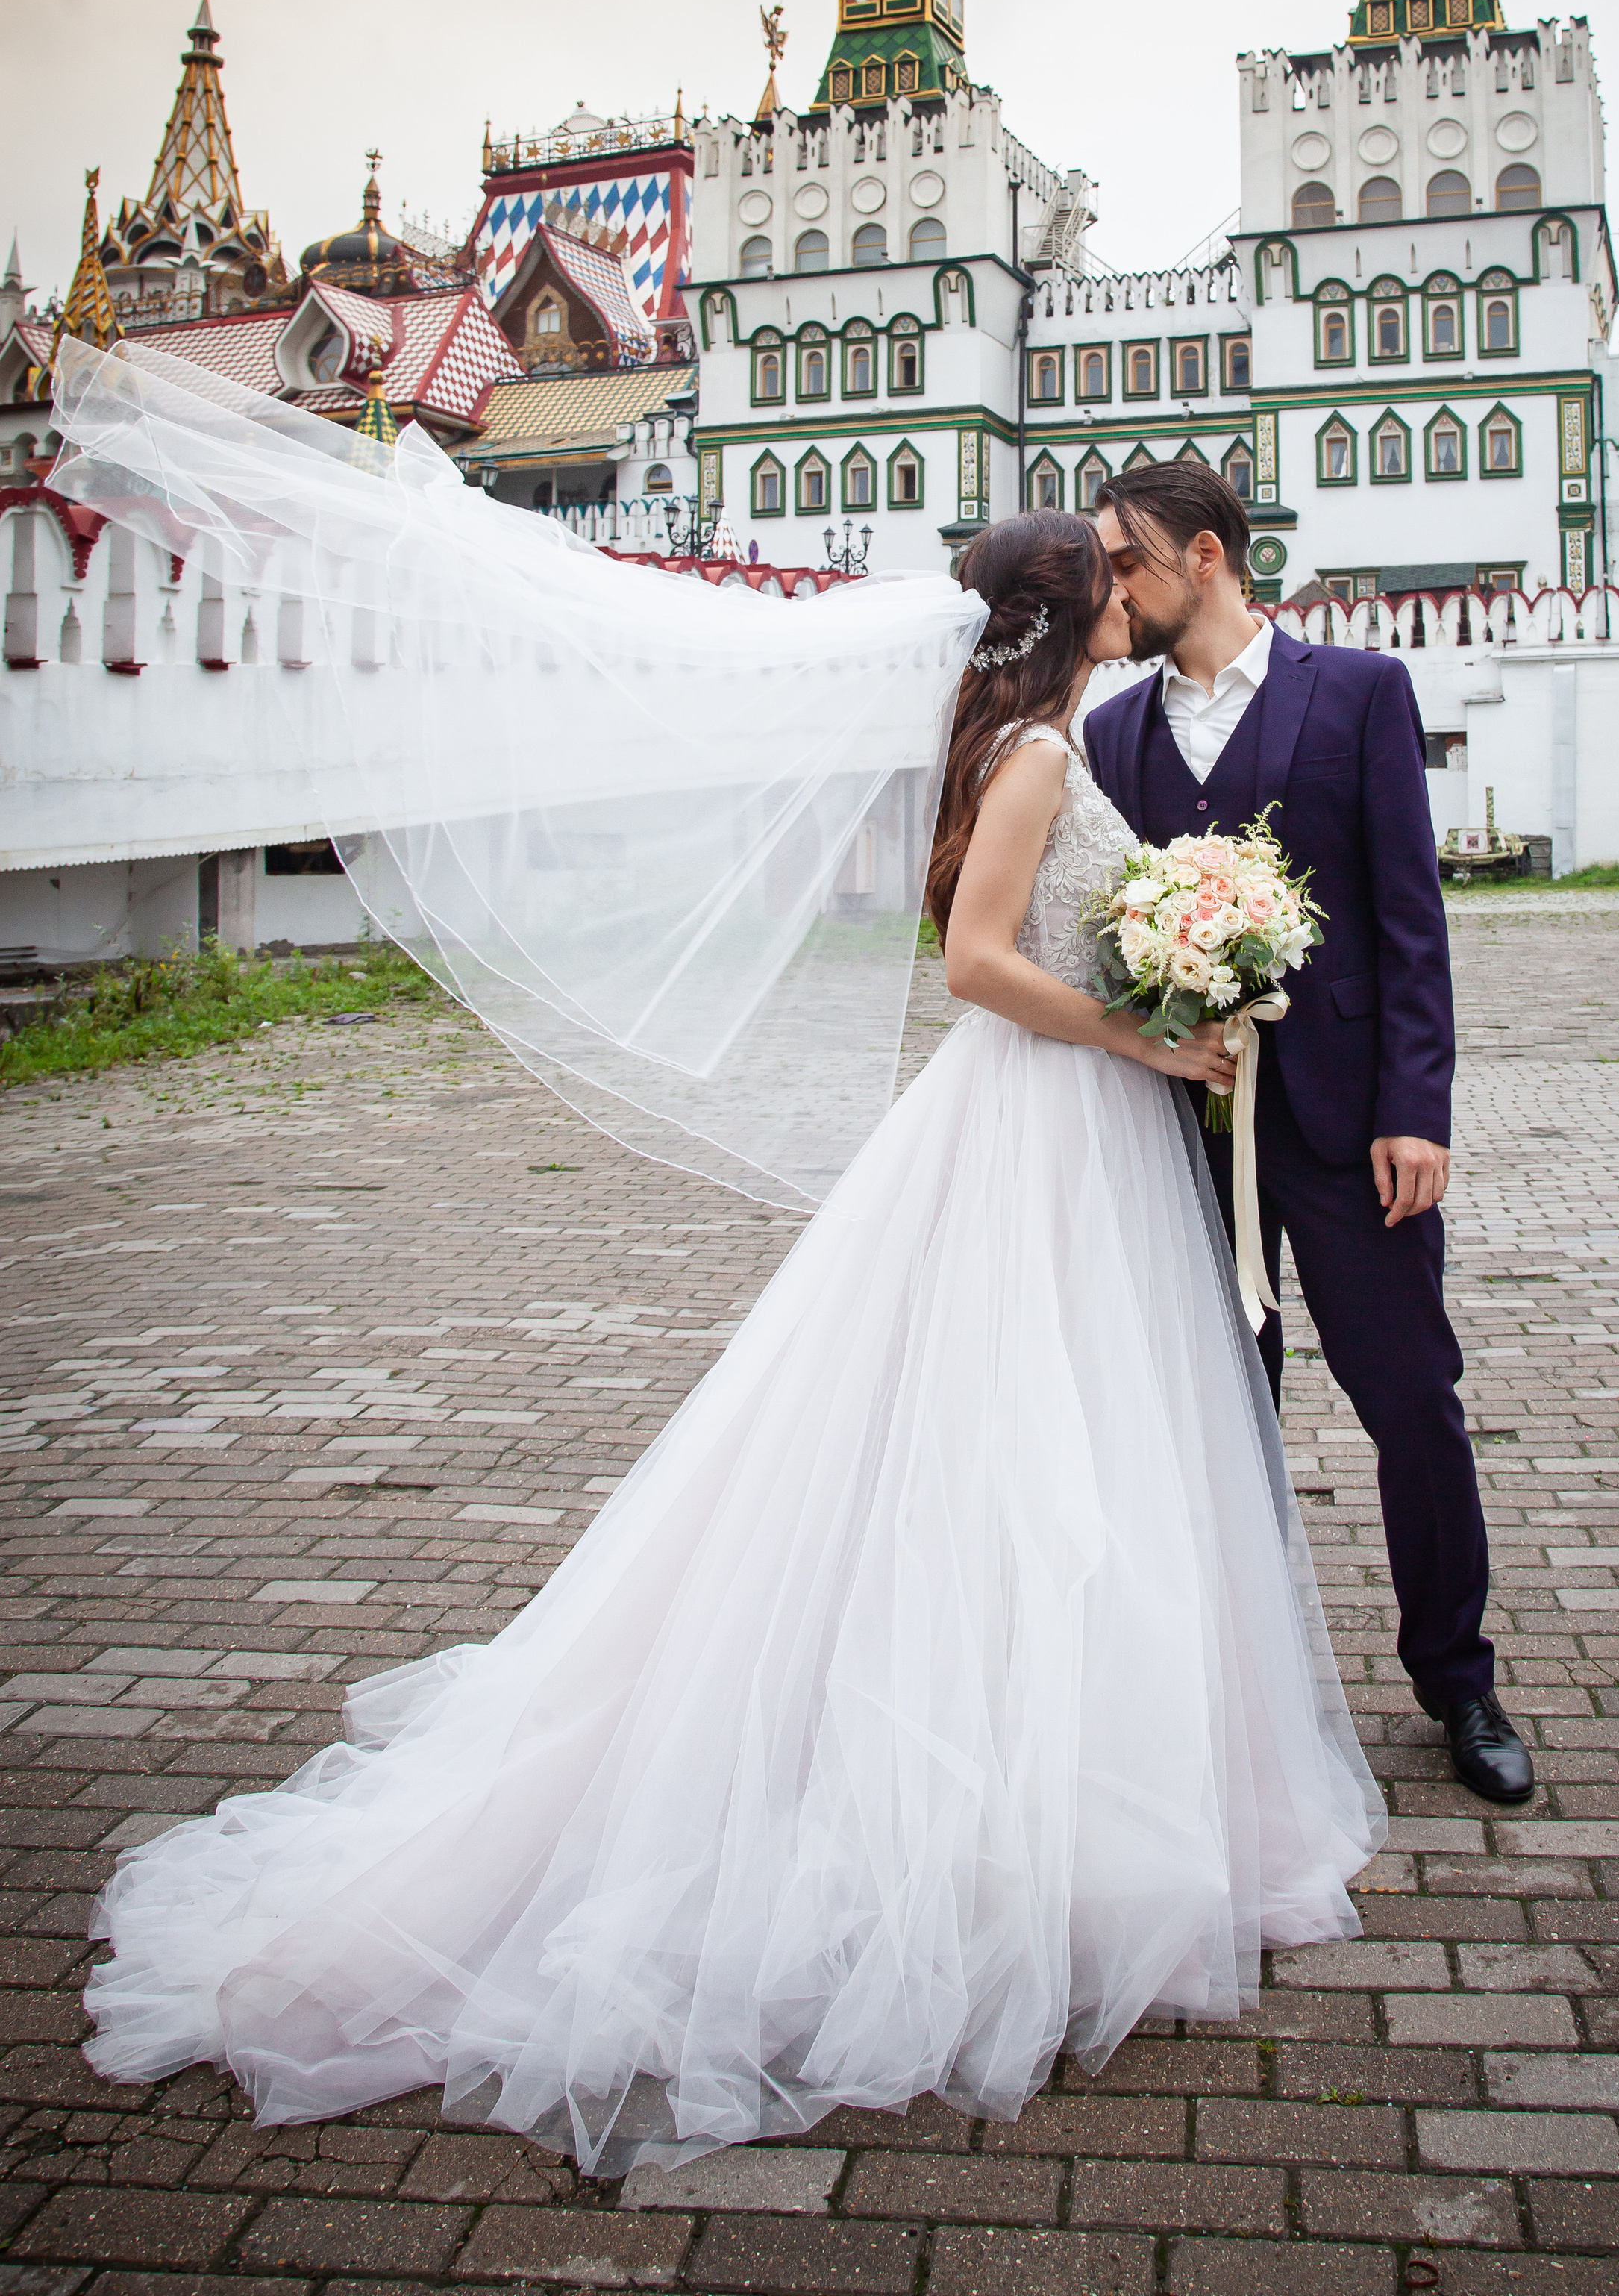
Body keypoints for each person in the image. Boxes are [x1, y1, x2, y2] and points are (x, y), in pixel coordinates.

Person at [81, 505, 1382, 2173]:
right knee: (1021, 1457)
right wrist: (1148, 1037)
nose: (1137, 593)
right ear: (1079, 615)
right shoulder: (1042, 756)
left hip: (1067, 1135)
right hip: (1041, 1129)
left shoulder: (1026, 737)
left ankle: (1069, 1801)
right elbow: (978, 966)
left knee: (1051, 1460)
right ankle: (1002, 1824)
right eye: (1111, 578)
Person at [1084, 460, 1532, 1808]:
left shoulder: (1359, 694)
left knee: (1411, 1405)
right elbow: (1113, 939)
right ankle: (1240, 1691)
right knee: (1220, 1413)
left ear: (1208, 556)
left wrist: (1417, 1111)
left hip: (1351, 1132)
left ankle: (1459, 1681)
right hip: (1190, 1136)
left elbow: (1411, 921)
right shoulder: (1112, 738)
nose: (1112, 586)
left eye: (1128, 563)